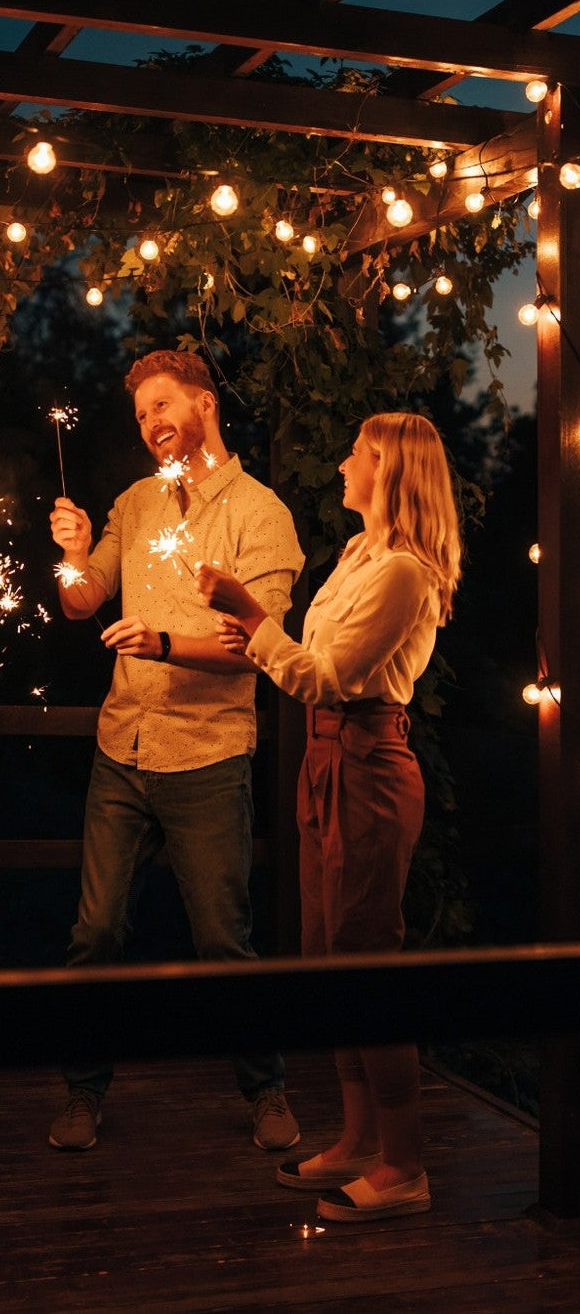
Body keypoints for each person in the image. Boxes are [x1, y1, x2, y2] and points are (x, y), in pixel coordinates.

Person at [195, 410, 463, 1222]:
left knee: (366, 961)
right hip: (326, 760)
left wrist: (250, 611)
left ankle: (406, 1165)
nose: (343, 462)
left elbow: (330, 675)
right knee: (327, 955)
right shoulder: (358, 554)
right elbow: (306, 663)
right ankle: (357, 1139)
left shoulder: (406, 574)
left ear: (390, 471)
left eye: (357, 453)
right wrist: (258, 634)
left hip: (369, 765)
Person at [48, 349, 305, 1154]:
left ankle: (265, 1090)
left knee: (223, 938)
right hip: (121, 750)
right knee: (94, 933)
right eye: (141, 415)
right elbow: (82, 601)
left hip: (207, 754)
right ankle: (83, 1095)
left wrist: (160, 640)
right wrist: (73, 548)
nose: (152, 423)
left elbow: (254, 646)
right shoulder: (135, 501)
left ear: (202, 402)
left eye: (162, 405)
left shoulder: (260, 515)